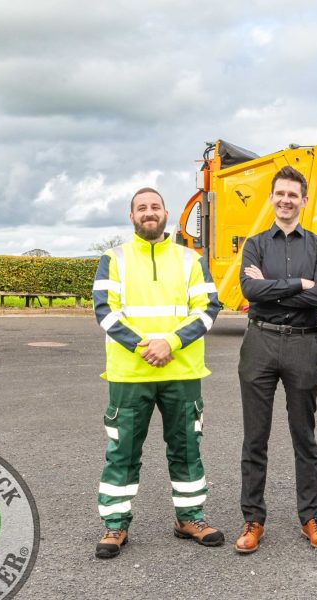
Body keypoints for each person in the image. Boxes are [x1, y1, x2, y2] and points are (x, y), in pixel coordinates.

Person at [92, 187, 224, 559]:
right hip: (129, 375)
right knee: (122, 452)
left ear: (166, 213)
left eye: (155, 206)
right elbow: (105, 311)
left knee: (186, 449)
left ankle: (190, 518)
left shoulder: (190, 259)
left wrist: (170, 343)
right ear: (131, 216)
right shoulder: (112, 259)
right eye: (141, 208)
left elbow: (207, 309)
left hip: (182, 371)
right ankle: (115, 525)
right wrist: (143, 346)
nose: (149, 212)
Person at [235, 166, 317, 554]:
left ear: (304, 201)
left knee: (304, 436)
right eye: (280, 194)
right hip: (259, 342)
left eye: (293, 194)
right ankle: (253, 519)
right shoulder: (256, 244)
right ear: (272, 197)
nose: (286, 200)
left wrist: (272, 289)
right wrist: (299, 284)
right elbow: (249, 290)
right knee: (255, 438)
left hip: (302, 345)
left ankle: (309, 517)